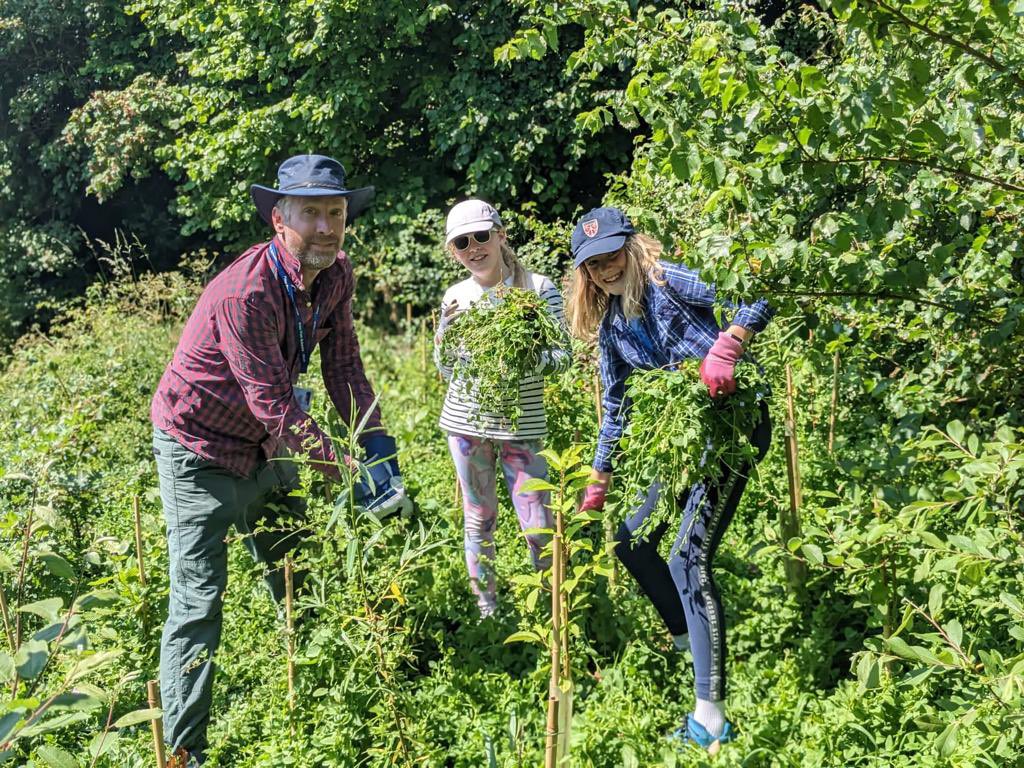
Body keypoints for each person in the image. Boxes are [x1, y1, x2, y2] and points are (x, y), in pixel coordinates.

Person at [150, 154, 405, 767]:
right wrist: (342, 472)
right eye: (311, 213)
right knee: (198, 599)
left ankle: (319, 696)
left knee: (295, 565)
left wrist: (375, 443)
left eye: (336, 213)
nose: (326, 227)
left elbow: (344, 369)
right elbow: (269, 401)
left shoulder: (336, 274)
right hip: (200, 447)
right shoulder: (247, 291)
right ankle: (183, 750)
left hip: (268, 445)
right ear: (278, 219)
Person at [565, 207, 772, 754]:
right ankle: (691, 640)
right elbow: (615, 405)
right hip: (680, 438)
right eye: (594, 264)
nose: (607, 267)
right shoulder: (611, 327)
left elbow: (756, 288)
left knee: (688, 556)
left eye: (612, 254)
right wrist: (600, 474)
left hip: (731, 425)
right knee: (629, 539)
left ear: (631, 246)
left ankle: (711, 716)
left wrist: (730, 342)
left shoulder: (670, 279)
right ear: (584, 273)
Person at [433, 199, 571, 618]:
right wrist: (444, 335)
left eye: (480, 236)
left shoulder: (537, 289)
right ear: (453, 250)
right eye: (462, 242)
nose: (473, 247)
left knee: (538, 527)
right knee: (479, 519)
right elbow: (446, 367)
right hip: (465, 423)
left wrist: (525, 358)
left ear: (500, 235)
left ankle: (551, 610)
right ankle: (487, 610)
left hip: (521, 427)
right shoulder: (456, 296)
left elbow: (563, 355)